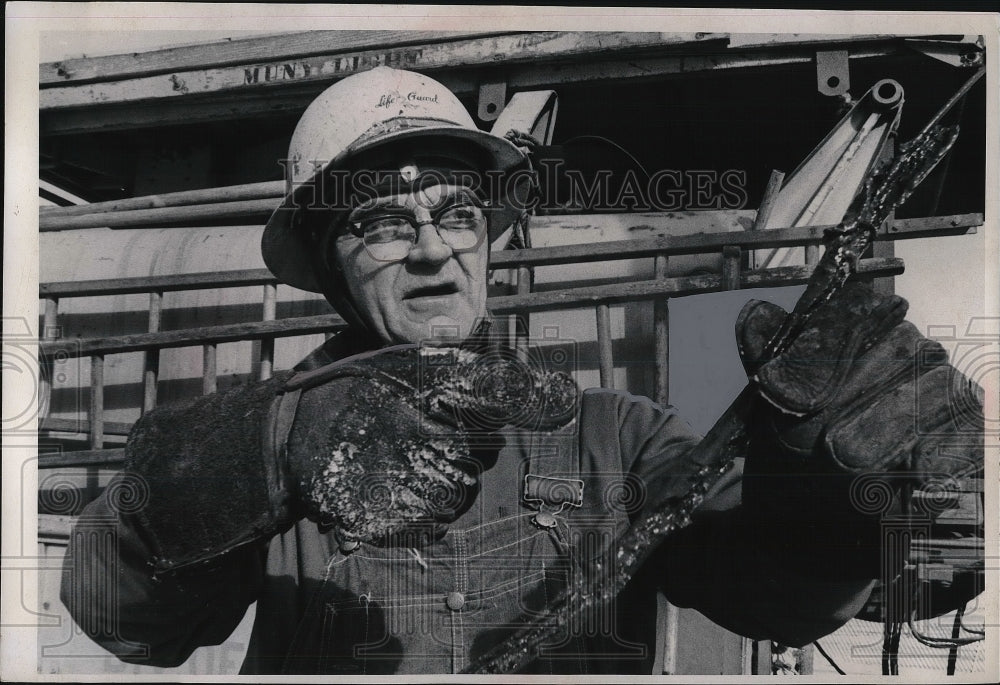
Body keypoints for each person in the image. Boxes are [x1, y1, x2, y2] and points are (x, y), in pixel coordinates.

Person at [61, 66, 984, 675]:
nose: (433, 250)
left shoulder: (611, 436)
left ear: (489, 240)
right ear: (327, 257)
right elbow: (116, 610)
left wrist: (836, 511)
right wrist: (256, 456)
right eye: (384, 220)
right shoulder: (274, 438)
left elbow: (773, 594)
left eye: (458, 212)